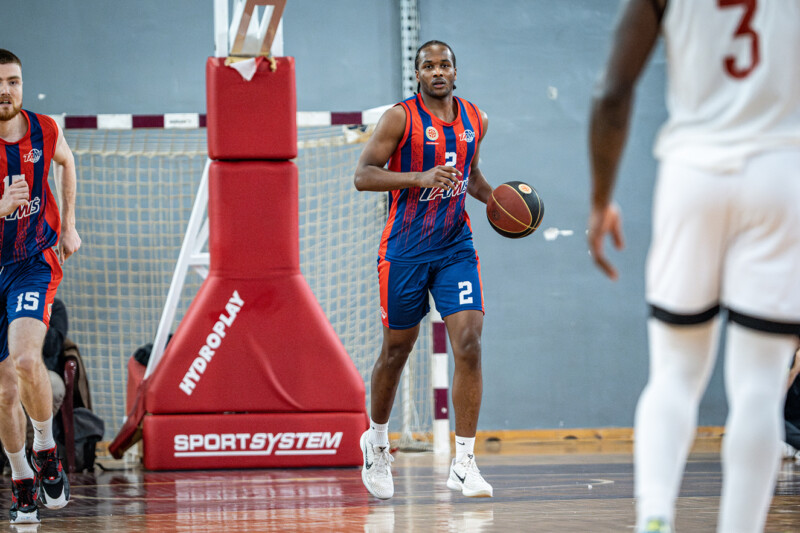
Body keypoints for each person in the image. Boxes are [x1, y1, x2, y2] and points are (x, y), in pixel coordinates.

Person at [588, 1, 800, 532]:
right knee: (760, 385)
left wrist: (600, 200)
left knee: (674, 372)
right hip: (780, 173)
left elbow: (612, 91)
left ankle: (655, 517)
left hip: (693, 176)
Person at [354, 40, 494, 500]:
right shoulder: (400, 118)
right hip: (405, 250)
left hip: (455, 247)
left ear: (455, 71)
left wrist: (498, 201)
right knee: (397, 351)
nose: (437, 72)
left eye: (444, 65)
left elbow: (470, 176)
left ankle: (464, 462)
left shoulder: (476, 119)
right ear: (417, 74)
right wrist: (419, 177)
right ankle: (376, 441)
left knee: (469, 344)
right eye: (428, 66)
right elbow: (363, 175)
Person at [0, 49, 81, 524]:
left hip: (33, 262)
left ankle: (46, 449)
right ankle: (21, 481)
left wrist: (68, 224)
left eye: (12, 81)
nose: (5, 91)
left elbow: (67, 162)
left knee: (28, 359)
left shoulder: (44, 128)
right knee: (4, 391)